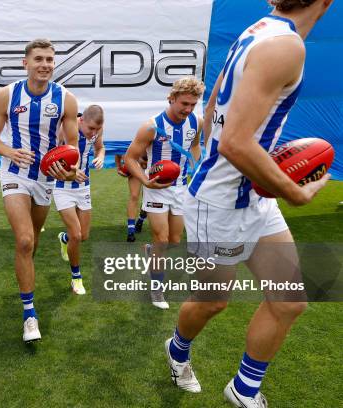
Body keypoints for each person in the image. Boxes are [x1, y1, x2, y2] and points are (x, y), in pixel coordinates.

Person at [164, 1, 332, 406]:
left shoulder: (259, 28)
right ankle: (177, 348)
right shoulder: (285, 46)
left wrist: (208, 145)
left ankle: (244, 389)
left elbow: (216, 97)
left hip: (254, 197)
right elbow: (236, 141)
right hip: (218, 205)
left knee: (289, 302)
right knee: (213, 302)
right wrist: (295, 192)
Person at [0, 38, 79, 343]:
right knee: (24, 240)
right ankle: (29, 314)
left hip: (45, 179)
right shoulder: (6, 95)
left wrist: (68, 168)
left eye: (50, 60)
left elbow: (72, 146)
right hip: (14, 175)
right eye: (39, 59)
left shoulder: (66, 99)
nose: (45, 65)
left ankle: (25, 275)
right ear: (25, 63)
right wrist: (9, 152)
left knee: (33, 241)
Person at [125, 76, 204, 309]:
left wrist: (195, 168)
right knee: (162, 239)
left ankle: (151, 252)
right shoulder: (151, 126)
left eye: (192, 104)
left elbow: (195, 145)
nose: (188, 109)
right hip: (157, 189)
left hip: (182, 189)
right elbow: (130, 159)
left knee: (174, 241)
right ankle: (156, 287)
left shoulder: (196, 122)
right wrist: (146, 182)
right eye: (184, 104)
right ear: (171, 99)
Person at [54, 106, 105, 295]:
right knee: (76, 234)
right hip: (61, 186)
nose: (93, 133)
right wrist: (71, 173)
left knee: (83, 236)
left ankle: (63, 239)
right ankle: (76, 278)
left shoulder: (97, 129)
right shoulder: (66, 128)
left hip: (84, 186)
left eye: (96, 130)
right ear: (81, 119)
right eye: (91, 128)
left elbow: (100, 148)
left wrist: (100, 157)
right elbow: (53, 157)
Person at [115, 155, 148, 242]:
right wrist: (119, 167)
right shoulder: (127, 142)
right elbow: (118, 152)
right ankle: (131, 231)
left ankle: (141, 219)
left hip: (152, 165)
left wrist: (143, 161)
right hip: (136, 166)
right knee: (134, 196)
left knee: (148, 199)